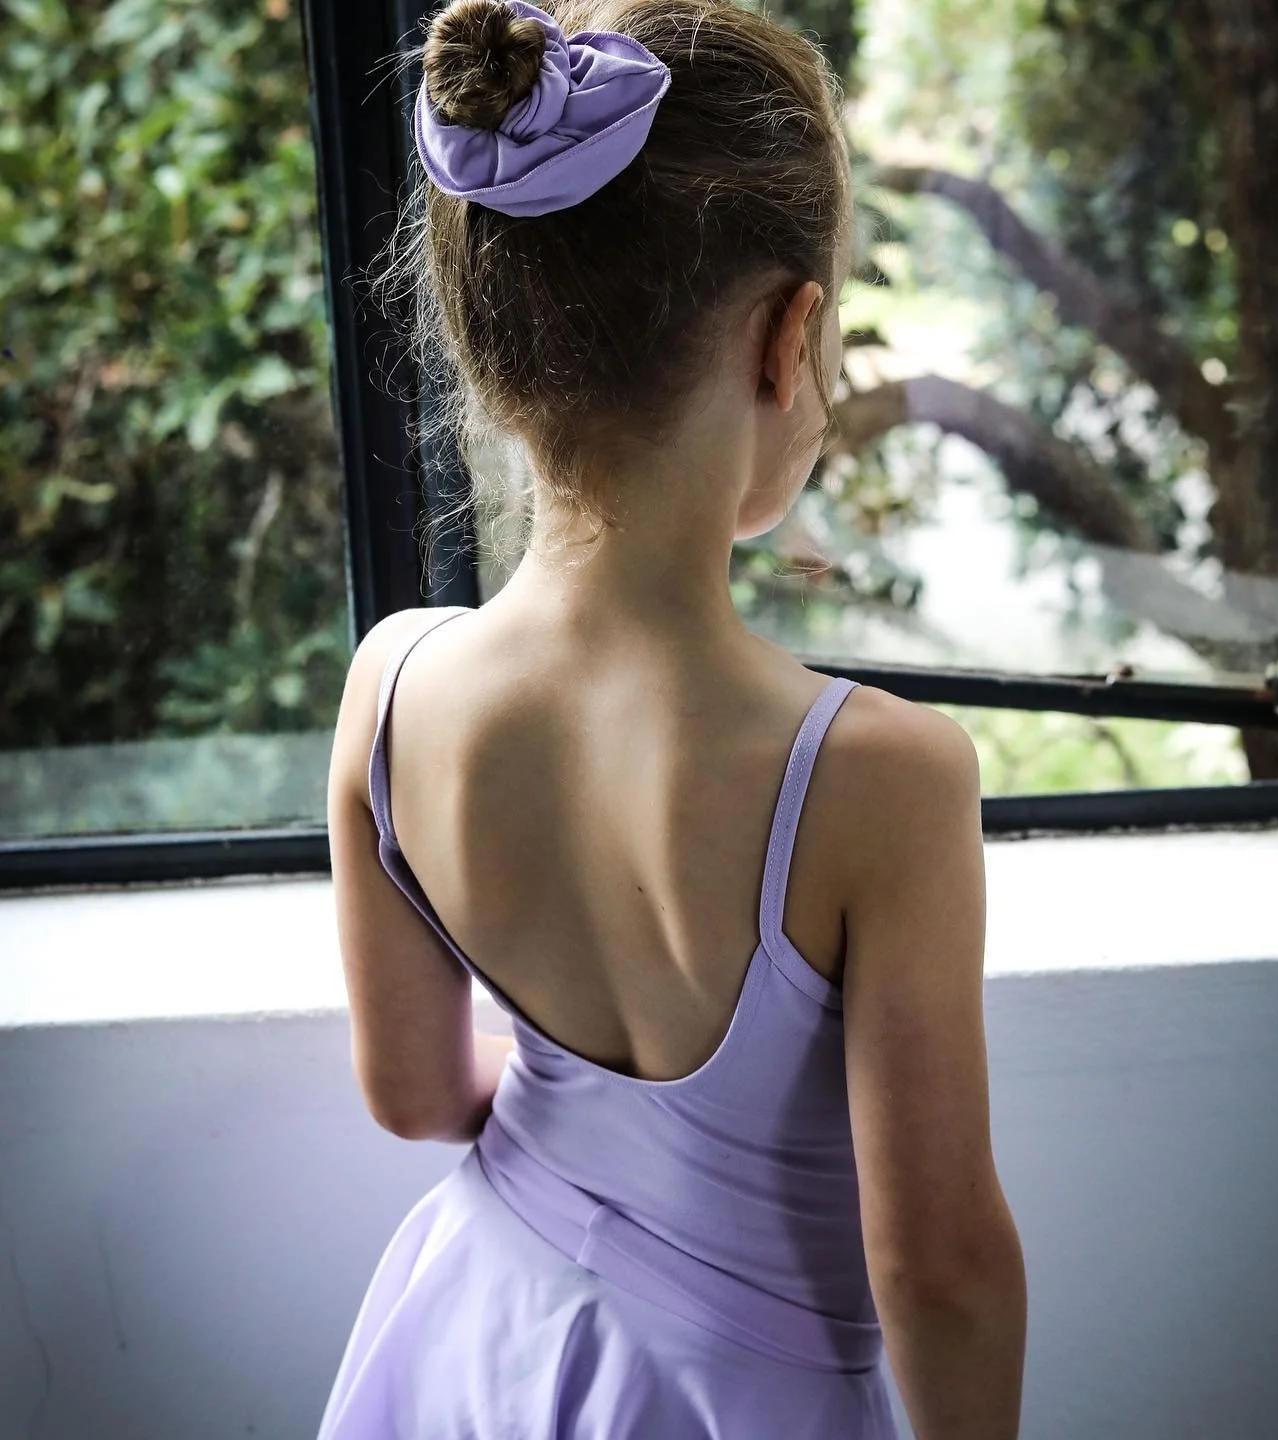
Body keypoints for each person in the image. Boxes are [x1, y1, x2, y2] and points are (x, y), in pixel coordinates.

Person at [319, 0, 1027, 1434]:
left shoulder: (390, 685)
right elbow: (939, 1268)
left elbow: (413, 1095)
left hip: (475, 1334)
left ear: (493, 340)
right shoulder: (876, 777)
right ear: (790, 339)